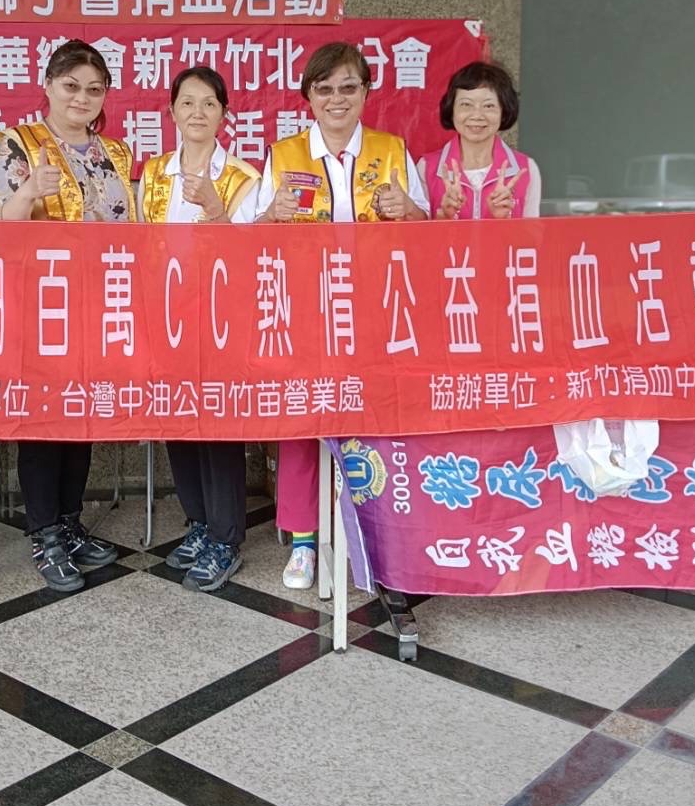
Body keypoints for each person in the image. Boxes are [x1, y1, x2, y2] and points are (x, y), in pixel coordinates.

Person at [251, 41, 429, 589]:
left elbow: (429, 233)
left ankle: (375, 532)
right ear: (308, 96)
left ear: (366, 92)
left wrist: (410, 211)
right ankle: (304, 540)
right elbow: (251, 238)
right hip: (306, 311)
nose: (336, 99)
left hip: (376, 312)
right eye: (324, 88)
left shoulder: (392, 151)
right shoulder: (284, 156)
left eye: (348, 87)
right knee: (303, 422)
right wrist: (271, 214)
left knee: (374, 420)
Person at [0, 39, 130, 592]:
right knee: (44, 417)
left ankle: (70, 523)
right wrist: (28, 191)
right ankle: (44, 533)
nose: (81, 98)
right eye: (71, 86)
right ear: (47, 85)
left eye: (94, 89)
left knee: (81, 411)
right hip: (41, 304)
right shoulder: (18, 142)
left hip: (99, 300)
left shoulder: (114, 152)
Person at [138, 66, 260, 592]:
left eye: (209, 103)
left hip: (220, 318)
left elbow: (251, 257)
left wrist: (215, 210)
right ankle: (199, 523)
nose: (197, 112)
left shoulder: (243, 178)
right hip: (164, 315)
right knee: (178, 419)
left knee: (218, 424)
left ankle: (226, 537)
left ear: (224, 114)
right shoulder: (153, 174)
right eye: (187, 102)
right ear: (171, 111)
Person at [421, 61, 541, 219]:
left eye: (488, 106)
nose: (477, 115)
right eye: (466, 104)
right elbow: (415, 233)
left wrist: (504, 221)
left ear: (504, 111)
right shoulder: (427, 167)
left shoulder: (526, 169)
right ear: (451, 109)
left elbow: (533, 234)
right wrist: (445, 218)